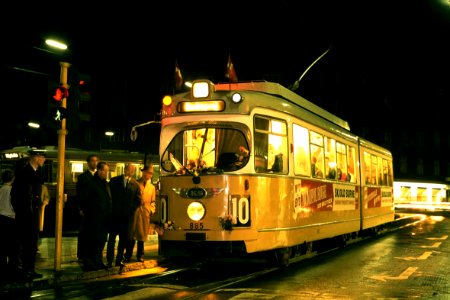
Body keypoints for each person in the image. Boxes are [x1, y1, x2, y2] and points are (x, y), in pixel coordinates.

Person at [10, 148, 46, 279]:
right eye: (42, 157)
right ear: (35, 157)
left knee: (32, 243)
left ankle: (30, 268)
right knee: (24, 242)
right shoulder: (24, 173)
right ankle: (24, 270)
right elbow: (15, 195)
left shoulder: (39, 171)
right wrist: (21, 210)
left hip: (34, 211)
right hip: (25, 212)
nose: (44, 159)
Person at [106, 164, 141, 268]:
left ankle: (118, 260)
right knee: (111, 239)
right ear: (125, 169)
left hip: (126, 217)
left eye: (132, 170)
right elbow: (109, 196)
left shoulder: (135, 184)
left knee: (123, 240)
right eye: (128, 169)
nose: (130, 172)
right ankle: (109, 260)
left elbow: (138, 200)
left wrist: (130, 210)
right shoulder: (114, 181)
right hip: (114, 215)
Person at [79, 161, 111, 271]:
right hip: (94, 218)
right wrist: (90, 212)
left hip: (104, 218)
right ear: (100, 170)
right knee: (92, 241)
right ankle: (90, 262)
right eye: (105, 171)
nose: (106, 173)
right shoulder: (91, 183)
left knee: (101, 241)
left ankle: (98, 261)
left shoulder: (105, 183)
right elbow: (84, 200)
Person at [125, 164, 155, 263]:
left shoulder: (152, 187)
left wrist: (151, 209)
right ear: (143, 172)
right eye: (148, 173)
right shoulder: (135, 183)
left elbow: (153, 201)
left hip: (145, 212)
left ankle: (140, 255)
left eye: (151, 174)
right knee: (132, 234)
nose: (150, 175)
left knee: (142, 236)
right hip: (135, 211)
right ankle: (128, 255)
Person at [76, 154, 99, 264]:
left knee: (93, 233)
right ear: (88, 163)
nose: (95, 163)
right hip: (86, 208)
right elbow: (79, 193)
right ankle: (82, 254)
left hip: (95, 210)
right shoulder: (83, 177)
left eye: (96, 161)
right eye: (93, 161)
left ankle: (90, 254)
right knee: (84, 232)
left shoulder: (98, 176)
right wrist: (80, 208)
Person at [0, 169, 19, 280]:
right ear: (13, 178)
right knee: (13, 247)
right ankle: (12, 270)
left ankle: (2, 269)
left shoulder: (1, 189)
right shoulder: (12, 190)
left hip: (1, 219)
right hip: (10, 219)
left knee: (2, 246)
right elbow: (14, 205)